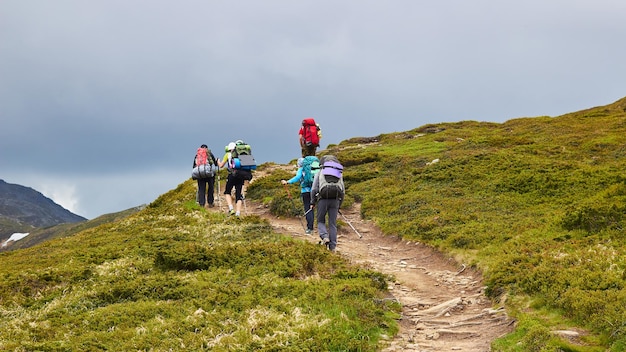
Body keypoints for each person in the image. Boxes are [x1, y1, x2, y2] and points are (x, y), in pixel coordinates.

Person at [310, 155, 344, 252]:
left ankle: (324, 237)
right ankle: (332, 247)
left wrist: (313, 202)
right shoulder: (339, 173)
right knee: (332, 223)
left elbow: (314, 189)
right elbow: (343, 190)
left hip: (323, 199)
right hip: (335, 200)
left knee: (320, 220)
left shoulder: (320, 172)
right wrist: (339, 205)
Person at [281, 158, 315, 235]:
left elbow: (297, 177)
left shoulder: (301, 169)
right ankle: (315, 226)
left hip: (305, 192)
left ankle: (310, 228)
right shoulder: (312, 169)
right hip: (314, 191)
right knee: (312, 208)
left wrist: (287, 182)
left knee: (307, 209)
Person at [217, 141, 245, 216]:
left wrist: (218, 161)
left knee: (227, 192)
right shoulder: (242, 155)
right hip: (241, 176)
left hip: (232, 176)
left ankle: (231, 209)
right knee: (239, 195)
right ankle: (238, 213)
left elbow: (221, 165)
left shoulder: (227, 154)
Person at [193, 144, 217, 208]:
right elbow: (215, 164)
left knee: (201, 189)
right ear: (207, 148)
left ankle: (202, 204)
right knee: (210, 188)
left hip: (200, 175)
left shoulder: (197, 155)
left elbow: (194, 166)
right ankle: (210, 203)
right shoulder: (209, 153)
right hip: (209, 174)